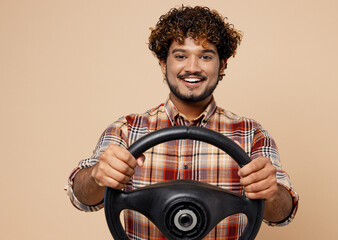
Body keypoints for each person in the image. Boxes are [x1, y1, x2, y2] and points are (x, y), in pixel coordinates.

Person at [65, 5, 299, 239]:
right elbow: (81, 198)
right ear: (163, 63)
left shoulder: (251, 134)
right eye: (180, 56)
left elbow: (282, 213)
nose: (192, 68)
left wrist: (271, 192)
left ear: (223, 64)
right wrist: (97, 174)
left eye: (206, 56)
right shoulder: (127, 129)